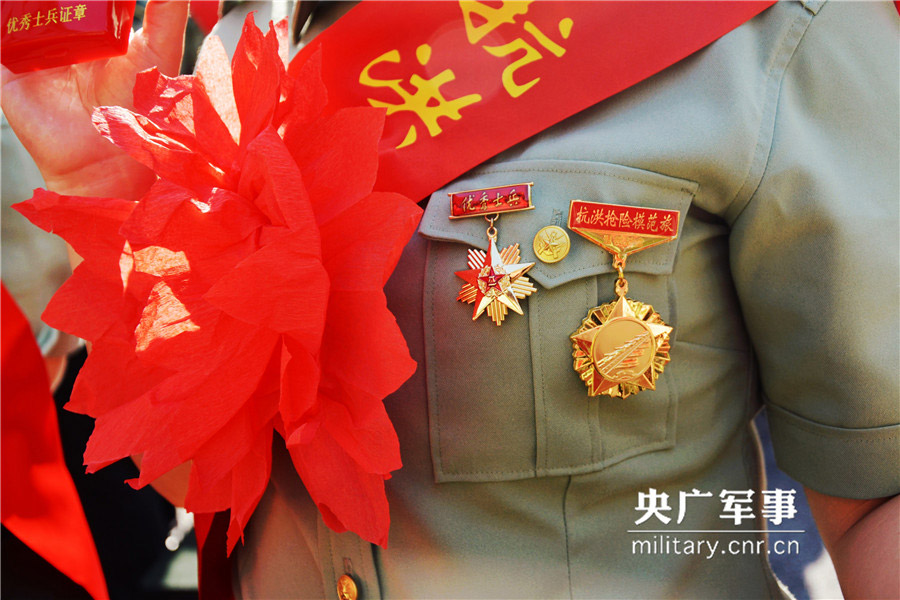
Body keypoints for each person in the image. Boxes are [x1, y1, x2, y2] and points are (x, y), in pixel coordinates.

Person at [3, 1, 897, 599]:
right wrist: (116, 187)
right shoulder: (249, 41)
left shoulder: (766, 34)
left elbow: (877, 506)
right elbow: (210, 482)